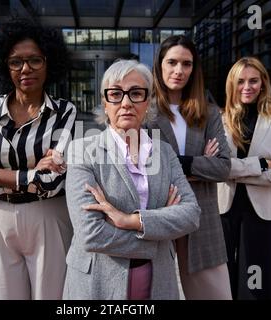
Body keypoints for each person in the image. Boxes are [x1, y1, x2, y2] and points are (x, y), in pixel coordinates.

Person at [0, 18, 76, 300]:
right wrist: (31, 174)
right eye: (15, 62)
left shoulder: (64, 112)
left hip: (49, 218)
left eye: (35, 60)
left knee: (52, 297)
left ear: (49, 62)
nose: (25, 69)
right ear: (4, 66)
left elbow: (53, 181)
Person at [63, 59, 201, 300]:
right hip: (99, 282)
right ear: (105, 103)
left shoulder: (164, 152)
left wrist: (131, 220)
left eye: (136, 93)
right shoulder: (81, 150)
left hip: (158, 280)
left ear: (147, 102)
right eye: (116, 94)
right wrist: (157, 236)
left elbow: (191, 214)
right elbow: (91, 233)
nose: (126, 102)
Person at [147, 35, 232, 299]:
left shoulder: (208, 112)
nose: (179, 70)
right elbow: (142, 166)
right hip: (158, 213)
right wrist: (198, 164)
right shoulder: (144, 112)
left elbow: (223, 168)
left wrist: (178, 163)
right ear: (160, 65)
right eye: (172, 62)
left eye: (186, 64)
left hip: (202, 218)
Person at [218, 57, 271, 300]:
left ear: (263, 83)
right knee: (223, 277)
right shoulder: (218, 121)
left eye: (253, 80)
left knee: (259, 280)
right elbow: (215, 169)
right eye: (240, 81)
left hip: (261, 212)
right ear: (232, 84)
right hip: (223, 209)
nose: (247, 87)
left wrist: (234, 172)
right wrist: (261, 165)